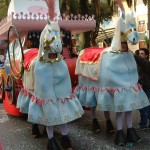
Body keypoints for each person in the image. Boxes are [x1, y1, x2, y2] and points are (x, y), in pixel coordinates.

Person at [134, 48, 150, 130]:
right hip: (140, 87)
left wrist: (134, 55)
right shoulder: (139, 64)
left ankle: (142, 125)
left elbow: (142, 62)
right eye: (139, 53)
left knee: (143, 106)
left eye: (142, 54)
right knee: (145, 105)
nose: (140, 55)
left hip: (145, 87)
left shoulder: (146, 63)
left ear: (146, 55)